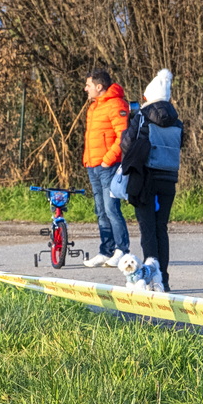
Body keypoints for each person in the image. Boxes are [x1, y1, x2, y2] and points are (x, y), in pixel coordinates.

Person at [120, 69, 183, 292]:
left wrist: (129, 123)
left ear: (148, 96)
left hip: (146, 179)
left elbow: (127, 144)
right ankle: (163, 278)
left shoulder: (142, 117)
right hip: (168, 180)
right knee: (160, 228)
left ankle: (150, 278)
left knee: (147, 228)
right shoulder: (177, 122)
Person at [80, 68, 131, 267]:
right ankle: (105, 250)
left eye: (88, 85)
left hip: (108, 166)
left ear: (99, 87)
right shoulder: (93, 107)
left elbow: (123, 136)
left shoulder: (116, 105)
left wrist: (108, 160)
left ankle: (122, 250)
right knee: (100, 210)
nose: (86, 89)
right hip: (92, 165)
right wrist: (89, 160)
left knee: (111, 209)